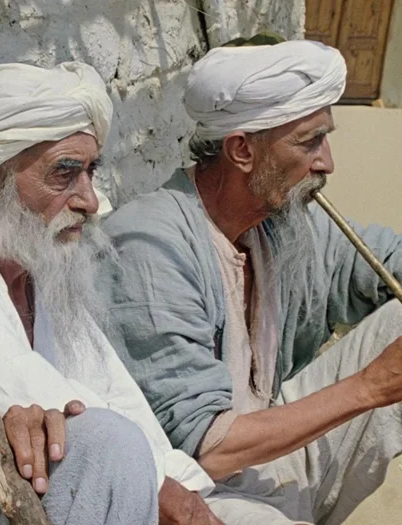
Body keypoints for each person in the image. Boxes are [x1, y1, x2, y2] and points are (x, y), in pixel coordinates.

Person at [102, 38, 402, 525]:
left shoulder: (284, 222)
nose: (326, 163)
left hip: (276, 456)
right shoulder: (149, 247)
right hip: (201, 490)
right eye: (309, 142)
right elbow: (207, 450)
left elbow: (387, 259)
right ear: (241, 149)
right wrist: (370, 388)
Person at [0, 61, 221, 525]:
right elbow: (40, 397)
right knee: (108, 445)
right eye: (64, 174)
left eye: (90, 172)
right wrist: (171, 497)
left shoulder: (43, 273)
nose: (89, 200)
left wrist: (186, 493)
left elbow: (116, 393)